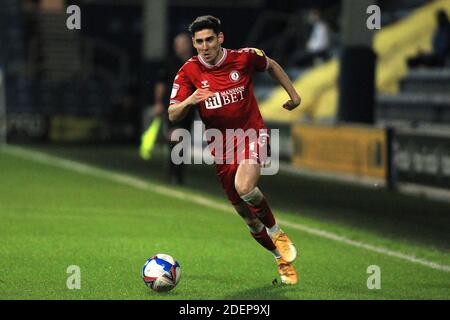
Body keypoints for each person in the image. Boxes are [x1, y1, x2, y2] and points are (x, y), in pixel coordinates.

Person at [168, 15, 301, 284]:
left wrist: (294, 95)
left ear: (220, 38)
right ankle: (280, 259)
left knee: (245, 187)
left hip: (252, 133)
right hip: (221, 147)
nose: (205, 46)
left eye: (209, 40)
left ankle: (276, 230)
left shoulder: (244, 57)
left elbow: (271, 65)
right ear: (194, 44)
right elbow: (172, 114)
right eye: (199, 42)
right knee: (248, 219)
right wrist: (190, 100)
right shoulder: (188, 72)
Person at [153, 32, 196, 185]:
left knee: (183, 139)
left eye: (183, 43)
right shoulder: (170, 63)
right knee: (175, 137)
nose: (181, 47)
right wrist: (158, 102)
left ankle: (178, 172)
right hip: (172, 107)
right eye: (178, 44)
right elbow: (161, 84)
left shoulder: (197, 63)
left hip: (190, 108)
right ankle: (173, 172)